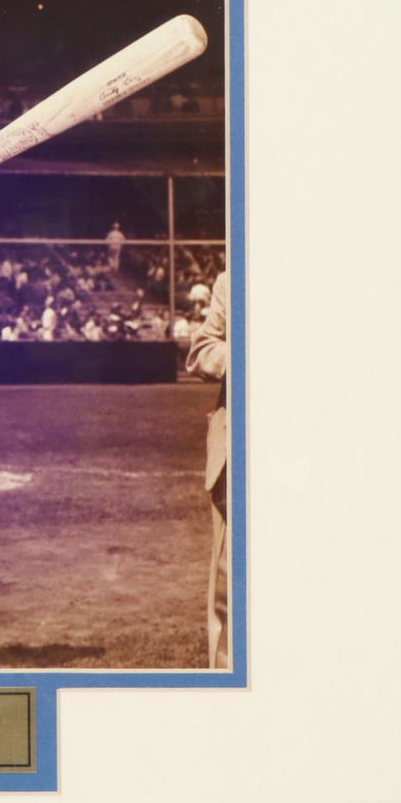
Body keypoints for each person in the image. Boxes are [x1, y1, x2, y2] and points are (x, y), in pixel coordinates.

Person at [185, 271, 230, 668]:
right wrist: (243, 354)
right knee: (231, 582)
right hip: (241, 450)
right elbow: (201, 349)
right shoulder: (231, 282)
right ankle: (226, 681)